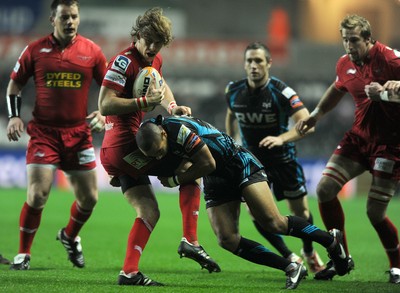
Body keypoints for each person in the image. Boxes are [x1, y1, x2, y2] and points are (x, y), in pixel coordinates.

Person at [136, 114, 351, 290]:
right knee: (227, 239)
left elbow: (208, 162)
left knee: (273, 223)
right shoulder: (160, 137)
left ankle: (330, 240)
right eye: (152, 155)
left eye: (159, 151)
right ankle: (291, 267)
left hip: (238, 164)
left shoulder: (178, 131)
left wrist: (175, 180)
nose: (158, 157)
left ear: (163, 134)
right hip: (216, 177)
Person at [98, 7, 220, 286]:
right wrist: (143, 104)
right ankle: (190, 239)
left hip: (119, 153)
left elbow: (160, 88)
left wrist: (173, 107)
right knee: (192, 164)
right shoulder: (123, 62)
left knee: (149, 211)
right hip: (127, 144)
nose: (152, 47)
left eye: (158, 43)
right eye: (148, 41)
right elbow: (104, 104)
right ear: (137, 36)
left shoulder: (153, 60)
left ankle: (129, 272)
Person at [296, 14, 400, 284]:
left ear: (369, 39)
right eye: (345, 40)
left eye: (354, 40)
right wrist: (317, 114)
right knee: (324, 189)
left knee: (374, 213)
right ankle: (340, 256)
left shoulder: (390, 59)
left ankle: (398, 266)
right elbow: (337, 87)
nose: (349, 46)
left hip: (390, 145)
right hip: (358, 140)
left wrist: (395, 89)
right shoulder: (344, 64)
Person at [6, 0, 107, 270]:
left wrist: (104, 113)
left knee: (90, 199)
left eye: (74, 16)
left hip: (78, 134)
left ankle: (69, 236)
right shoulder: (36, 50)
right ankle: (23, 254)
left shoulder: (92, 51)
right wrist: (15, 115)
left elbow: (110, 87)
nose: (70, 22)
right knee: (38, 194)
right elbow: (15, 84)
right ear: (53, 19)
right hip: (44, 134)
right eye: (65, 17)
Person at [225, 41, 325, 273]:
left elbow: (308, 125)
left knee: (300, 212)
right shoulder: (233, 91)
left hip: (284, 160)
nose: (253, 65)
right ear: (244, 64)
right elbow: (231, 115)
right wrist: (231, 141)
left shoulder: (282, 92)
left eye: (258, 60)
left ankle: (308, 251)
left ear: (269, 63)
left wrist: (282, 138)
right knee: (256, 213)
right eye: (249, 61)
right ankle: (289, 256)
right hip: (253, 163)